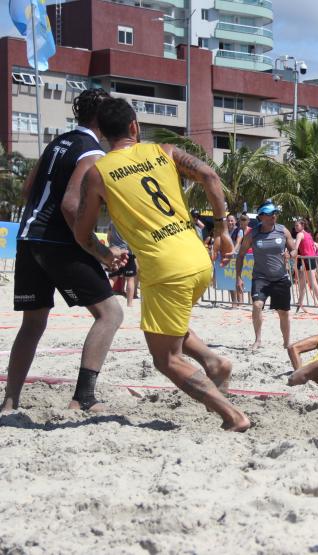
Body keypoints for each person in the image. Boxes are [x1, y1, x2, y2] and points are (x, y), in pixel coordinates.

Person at [74, 97, 248, 431]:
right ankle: (214, 362)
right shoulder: (165, 151)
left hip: (164, 267)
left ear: (101, 135)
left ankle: (232, 414)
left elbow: (82, 234)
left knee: (165, 358)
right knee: (167, 326)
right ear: (134, 127)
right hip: (197, 259)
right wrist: (222, 229)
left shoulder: (97, 174)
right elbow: (210, 176)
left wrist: (104, 253)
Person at [2, 89, 125, 414]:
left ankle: (10, 402)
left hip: (29, 238)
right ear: (101, 118)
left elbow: (27, 191)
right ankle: (83, 397)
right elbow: (72, 206)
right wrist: (100, 251)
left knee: (33, 324)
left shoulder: (58, 142)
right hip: (59, 241)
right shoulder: (91, 151)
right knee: (110, 313)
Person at [236, 200, 296, 350]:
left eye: (274, 213)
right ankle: (257, 340)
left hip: (280, 278)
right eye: (269, 214)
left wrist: (290, 254)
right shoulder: (253, 234)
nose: (273, 216)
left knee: (283, 312)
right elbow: (241, 255)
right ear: (261, 217)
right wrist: (238, 277)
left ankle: (287, 342)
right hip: (260, 277)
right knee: (257, 305)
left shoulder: (283, 230)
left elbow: (294, 250)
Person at [293, 218, 318, 311]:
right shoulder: (308, 235)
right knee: (304, 283)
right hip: (310, 259)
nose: (295, 227)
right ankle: (300, 302)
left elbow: (295, 247)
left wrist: (292, 254)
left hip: (306, 259)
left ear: (302, 226)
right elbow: (316, 246)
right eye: (295, 225)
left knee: (311, 282)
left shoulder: (300, 234)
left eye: (297, 225)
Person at [107, 222, 138, 308]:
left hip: (114, 252)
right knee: (130, 279)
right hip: (127, 252)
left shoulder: (112, 222)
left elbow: (108, 237)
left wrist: (112, 246)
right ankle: (129, 303)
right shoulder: (127, 220)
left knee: (112, 279)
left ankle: (107, 302)